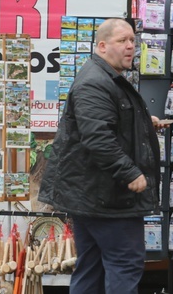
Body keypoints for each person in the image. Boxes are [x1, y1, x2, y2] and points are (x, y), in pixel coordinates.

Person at [39, 18, 162, 294]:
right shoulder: (95, 81)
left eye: (132, 40)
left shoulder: (106, 77)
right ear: (103, 46)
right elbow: (97, 138)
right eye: (123, 41)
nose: (131, 46)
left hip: (95, 195)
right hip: (107, 198)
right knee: (124, 264)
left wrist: (144, 123)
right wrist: (130, 172)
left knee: (91, 267)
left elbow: (106, 124)